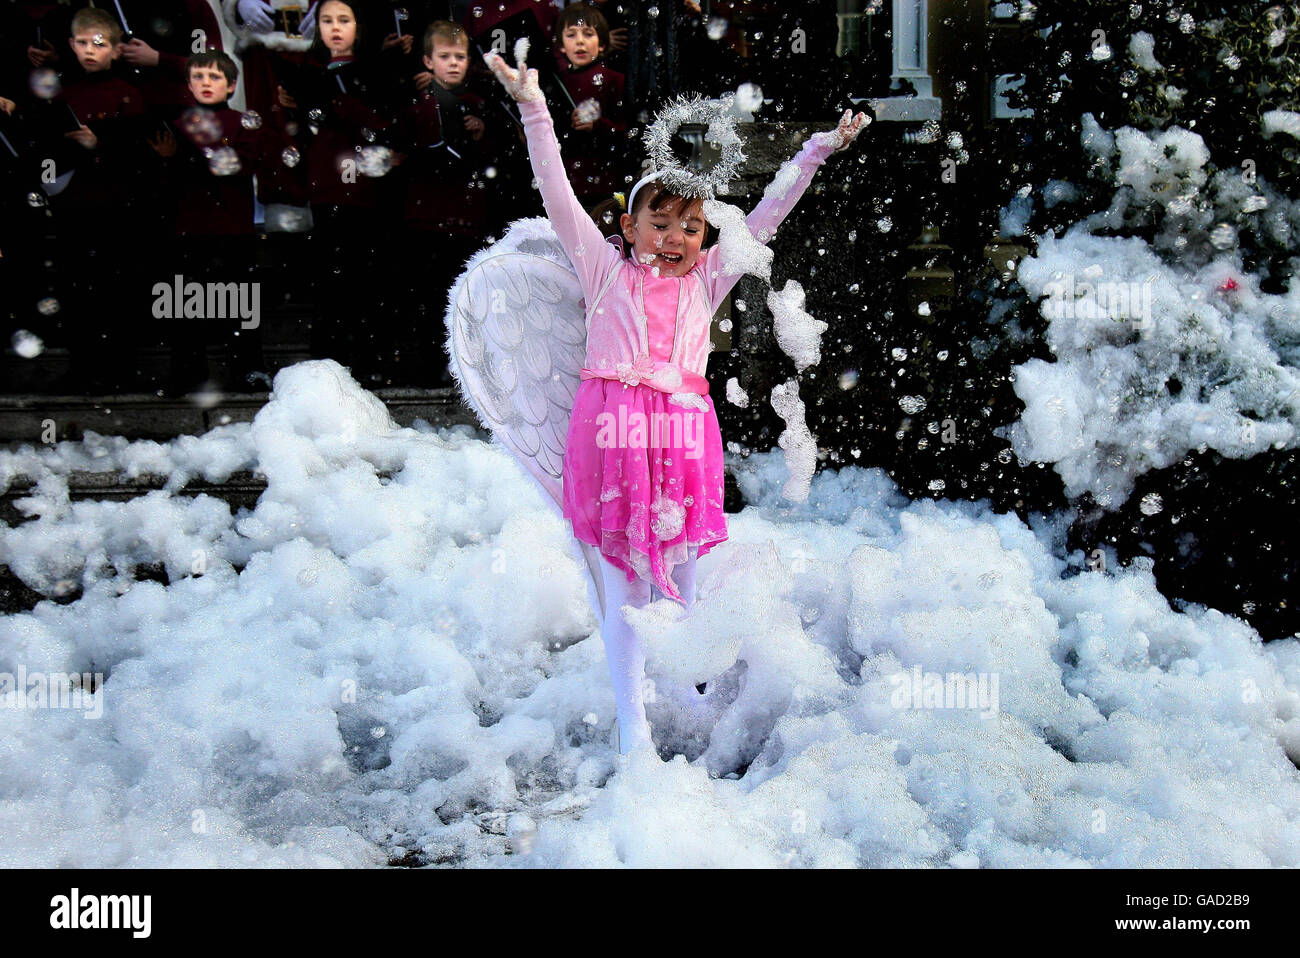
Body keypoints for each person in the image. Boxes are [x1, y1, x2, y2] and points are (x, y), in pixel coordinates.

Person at [484, 47, 868, 754]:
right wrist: (535, 108)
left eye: (690, 227)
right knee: (626, 581)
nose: (675, 238)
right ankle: (633, 725)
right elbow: (557, 193)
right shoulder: (602, 270)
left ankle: (689, 698)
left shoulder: (706, 281)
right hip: (614, 435)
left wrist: (816, 152)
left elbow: (766, 217)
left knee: (684, 572)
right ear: (629, 229)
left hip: (687, 436)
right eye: (659, 222)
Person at [149, 51, 270, 394]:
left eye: (215, 77)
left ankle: (249, 368)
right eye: (199, 77)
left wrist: (187, 157)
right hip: (188, 227)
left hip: (232, 229)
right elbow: (163, 178)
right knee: (185, 304)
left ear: (231, 85)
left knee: (241, 302)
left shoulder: (243, 121)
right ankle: (187, 371)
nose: (206, 83)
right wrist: (170, 162)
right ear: (188, 84)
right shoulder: (176, 125)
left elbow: (239, 164)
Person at [392, 20, 495, 385]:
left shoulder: (480, 104)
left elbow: (493, 161)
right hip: (425, 218)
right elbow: (403, 151)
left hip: (466, 218)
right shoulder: (418, 104)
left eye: (460, 57)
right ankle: (426, 365)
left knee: (462, 296)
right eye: (444, 56)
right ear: (427, 61)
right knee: (427, 295)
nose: (453, 63)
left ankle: (460, 368)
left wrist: (481, 134)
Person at [551, 2, 627, 210]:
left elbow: (628, 132)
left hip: (604, 183)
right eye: (571, 35)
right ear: (561, 46)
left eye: (588, 34)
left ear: (602, 43)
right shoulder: (555, 84)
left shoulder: (615, 81)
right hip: (566, 184)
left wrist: (598, 125)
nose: (580, 42)